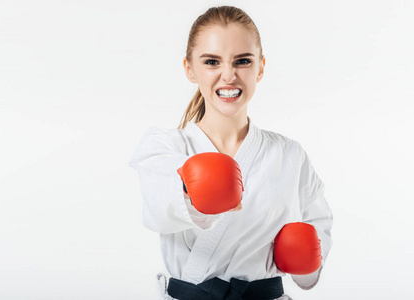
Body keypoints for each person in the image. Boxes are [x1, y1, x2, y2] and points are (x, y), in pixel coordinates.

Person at [128, 5, 333, 300]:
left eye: (242, 61)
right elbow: (158, 208)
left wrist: (306, 261)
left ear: (260, 67)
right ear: (189, 68)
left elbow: (319, 226)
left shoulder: (290, 155)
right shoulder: (165, 147)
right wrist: (191, 192)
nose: (229, 75)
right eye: (212, 61)